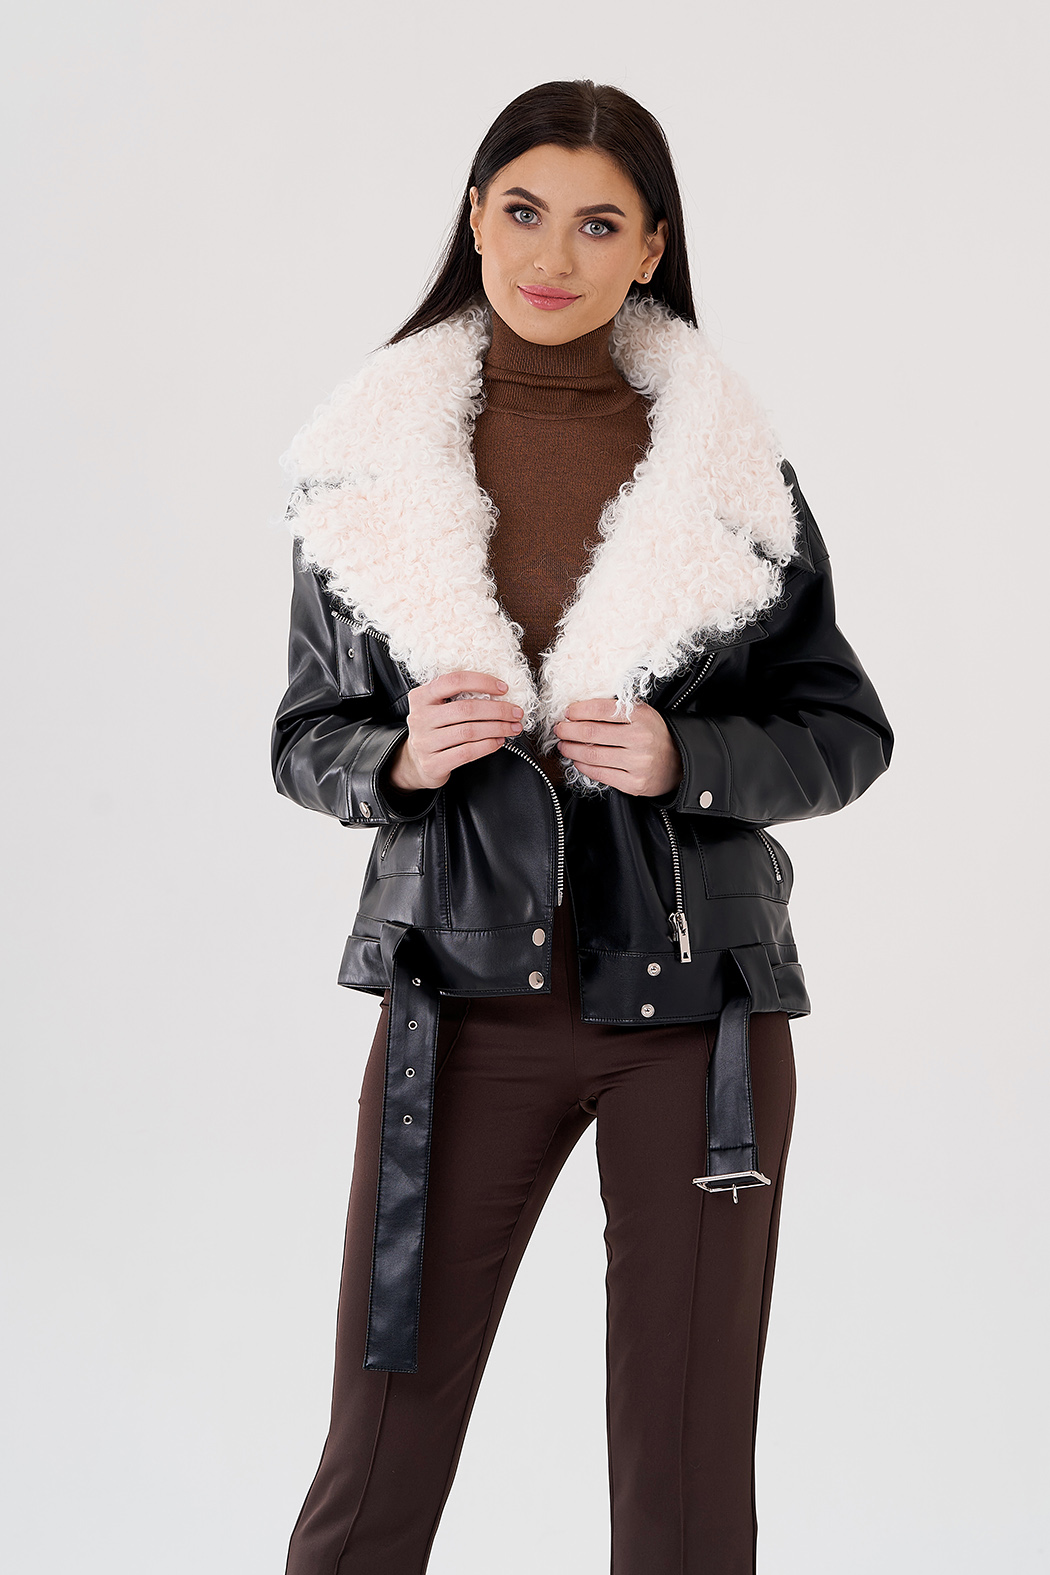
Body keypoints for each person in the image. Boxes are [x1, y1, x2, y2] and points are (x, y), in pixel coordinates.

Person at [271, 78, 893, 1575]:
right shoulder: (366, 471)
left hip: (696, 1012)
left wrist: (689, 757)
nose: (553, 255)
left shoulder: (731, 478)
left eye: (599, 224)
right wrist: (397, 756)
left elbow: (844, 731)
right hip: (457, 999)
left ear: (650, 246)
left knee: (684, 1470)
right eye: (524, 211)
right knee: (378, 1452)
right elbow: (303, 739)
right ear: (475, 218)